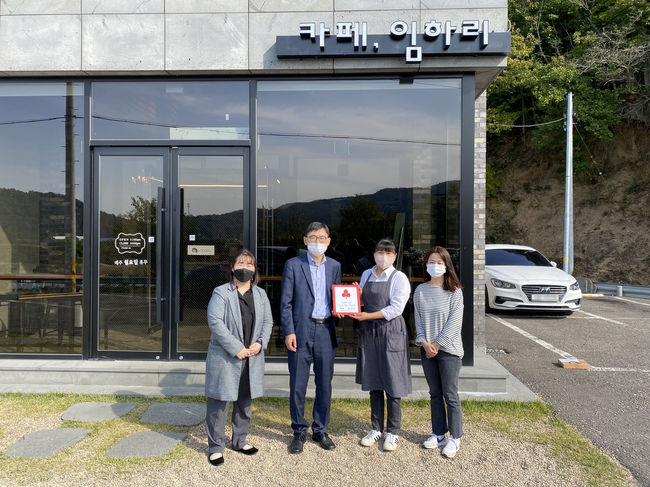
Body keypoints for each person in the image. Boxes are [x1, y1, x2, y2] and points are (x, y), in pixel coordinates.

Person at [205, 249, 274, 466]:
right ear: (233, 268)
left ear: (255, 270)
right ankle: (216, 447)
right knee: (219, 402)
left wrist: (260, 343)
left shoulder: (260, 295)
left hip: (251, 356)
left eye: (249, 264)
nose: (245, 268)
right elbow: (215, 321)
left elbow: (268, 322)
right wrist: (236, 348)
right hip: (226, 357)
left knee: (245, 400)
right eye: (241, 263)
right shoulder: (221, 292)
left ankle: (240, 440)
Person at [280, 222, 342, 454]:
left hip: (326, 329)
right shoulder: (293, 265)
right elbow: (285, 302)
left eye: (322, 237)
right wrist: (289, 331)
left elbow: (336, 297)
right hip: (301, 330)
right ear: (305, 240)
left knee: (324, 383)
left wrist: (342, 307)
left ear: (329, 241)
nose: (318, 241)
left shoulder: (334, 266)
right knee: (298, 382)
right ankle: (298, 430)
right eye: (313, 237)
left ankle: (320, 429)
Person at [351, 238, 411, 451]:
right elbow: (362, 301)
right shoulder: (367, 274)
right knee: (374, 380)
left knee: (393, 382)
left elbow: (396, 309)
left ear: (394, 256)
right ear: (374, 254)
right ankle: (376, 427)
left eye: (388, 253)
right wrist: (357, 297)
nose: (383, 257)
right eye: (379, 252)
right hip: (370, 332)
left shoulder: (399, 278)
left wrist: (367, 316)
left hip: (390, 331)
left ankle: (393, 432)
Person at [413, 246, 464, 458]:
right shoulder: (420, 290)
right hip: (427, 351)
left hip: (449, 350)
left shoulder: (455, 292)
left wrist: (437, 345)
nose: (435, 266)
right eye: (431, 262)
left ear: (446, 266)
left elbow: (454, 323)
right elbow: (418, 321)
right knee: (435, 393)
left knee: (450, 394)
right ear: (426, 265)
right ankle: (439, 433)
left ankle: (455, 437)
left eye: (439, 263)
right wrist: (425, 344)